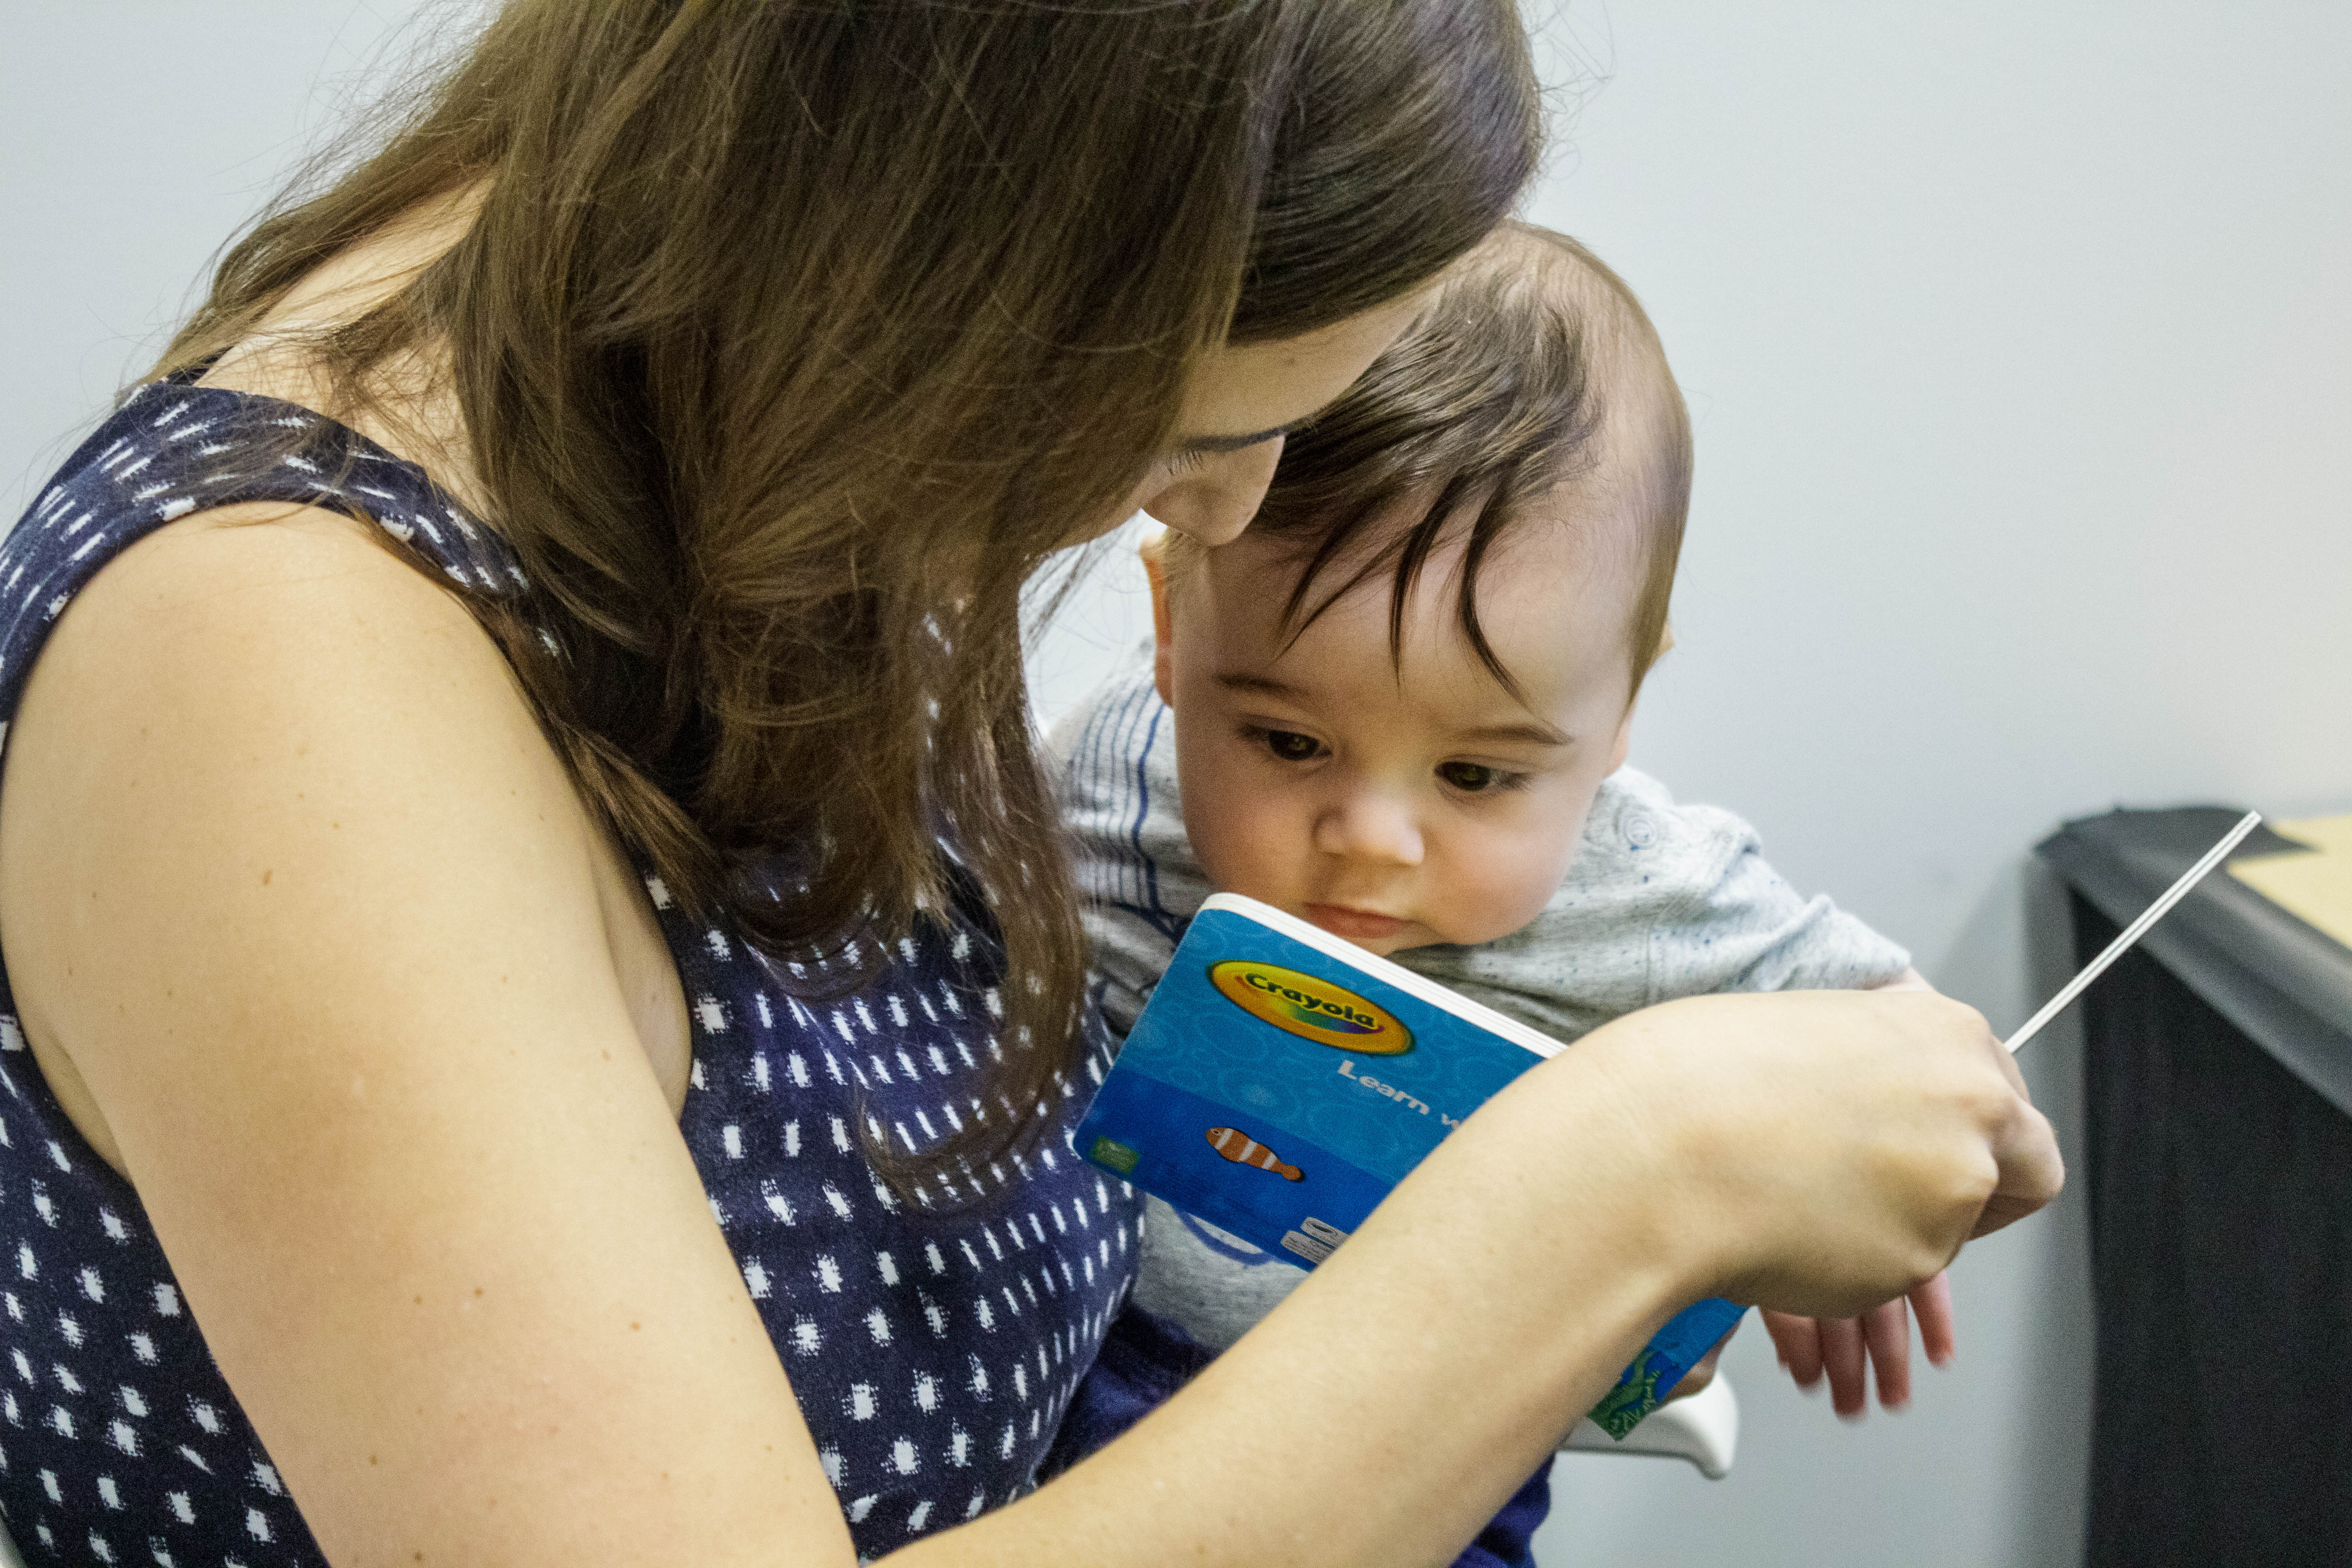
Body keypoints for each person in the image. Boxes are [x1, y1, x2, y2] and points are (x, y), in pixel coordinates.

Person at [0, 6, 2058, 1566]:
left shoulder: (745, 437)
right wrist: (1636, 1175)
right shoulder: (270, 675)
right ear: (946, 245)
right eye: (1187, 432)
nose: (1215, 512)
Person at [1049, 228, 1967, 1533]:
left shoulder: (1650, 888)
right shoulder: (1110, 762)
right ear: (1170, 632)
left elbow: (1915, 1052)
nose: (1373, 839)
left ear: (1620, 711)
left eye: (1476, 775)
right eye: (1290, 744)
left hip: (1436, 1470)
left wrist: (1845, 1183)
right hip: (1061, 1392)